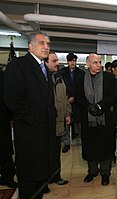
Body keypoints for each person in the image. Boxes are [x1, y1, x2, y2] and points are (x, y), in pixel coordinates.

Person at [4, 31, 56, 199]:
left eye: (48, 44)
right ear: (30, 46)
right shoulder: (19, 65)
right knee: (28, 181)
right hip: (29, 134)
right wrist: (35, 120)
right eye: (42, 43)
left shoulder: (44, 69)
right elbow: (12, 99)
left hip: (45, 134)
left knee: (40, 180)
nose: (46, 47)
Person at [75, 53, 117, 186]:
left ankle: (105, 173)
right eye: (95, 62)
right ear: (88, 64)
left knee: (105, 146)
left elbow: (113, 96)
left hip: (105, 119)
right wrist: (89, 107)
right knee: (90, 146)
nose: (99, 65)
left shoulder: (109, 78)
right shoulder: (80, 78)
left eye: (99, 62)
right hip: (88, 119)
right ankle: (92, 171)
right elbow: (78, 97)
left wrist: (99, 106)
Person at [45, 52, 71, 186]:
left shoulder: (59, 77)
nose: (57, 63)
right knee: (44, 154)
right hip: (45, 123)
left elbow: (64, 98)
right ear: (45, 62)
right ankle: (44, 181)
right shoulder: (42, 79)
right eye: (54, 61)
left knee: (55, 152)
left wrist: (67, 114)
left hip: (59, 121)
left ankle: (56, 177)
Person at [59, 52, 85, 152]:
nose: (72, 63)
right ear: (67, 62)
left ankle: (83, 142)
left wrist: (75, 97)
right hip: (65, 101)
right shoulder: (62, 72)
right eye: (70, 61)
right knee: (66, 122)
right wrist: (67, 98)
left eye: (73, 61)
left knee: (79, 123)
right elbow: (60, 88)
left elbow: (82, 88)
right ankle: (66, 144)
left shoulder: (81, 73)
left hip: (78, 101)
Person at [0, 70, 17, 189]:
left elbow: (7, 96)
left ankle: (8, 178)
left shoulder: (2, 76)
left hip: (2, 119)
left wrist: (11, 117)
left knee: (4, 151)